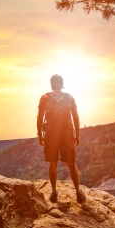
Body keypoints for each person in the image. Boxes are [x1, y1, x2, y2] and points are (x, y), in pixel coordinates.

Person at [37, 74, 84, 203]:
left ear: (51, 84)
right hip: (67, 134)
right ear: (62, 83)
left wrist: (40, 134)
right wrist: (77, 135)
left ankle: (54, 192)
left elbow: (40, 117)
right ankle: (78, 192)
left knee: (53, 163)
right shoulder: (69, 98)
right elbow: (75, 117)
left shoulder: (45, 97)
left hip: (51, 134)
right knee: (71, 163)